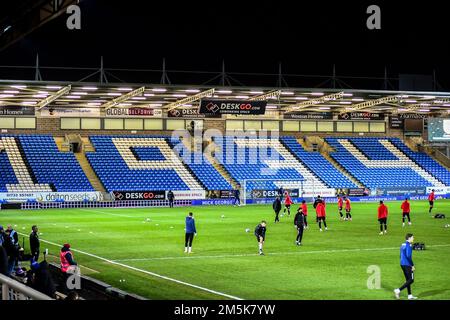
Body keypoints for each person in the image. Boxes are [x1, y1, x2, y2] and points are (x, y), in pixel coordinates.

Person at [394, 234, 418, 300]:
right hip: (407, 265)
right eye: (413, 237)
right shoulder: (409, 245)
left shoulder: (403, 244)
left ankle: (409, 295)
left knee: (408, 280)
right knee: (411, 280)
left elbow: (400, 254)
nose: (413, 238)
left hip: (402, 264)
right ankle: (398, 290)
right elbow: (408, 256)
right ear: (409, 238)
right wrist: (412, 265)